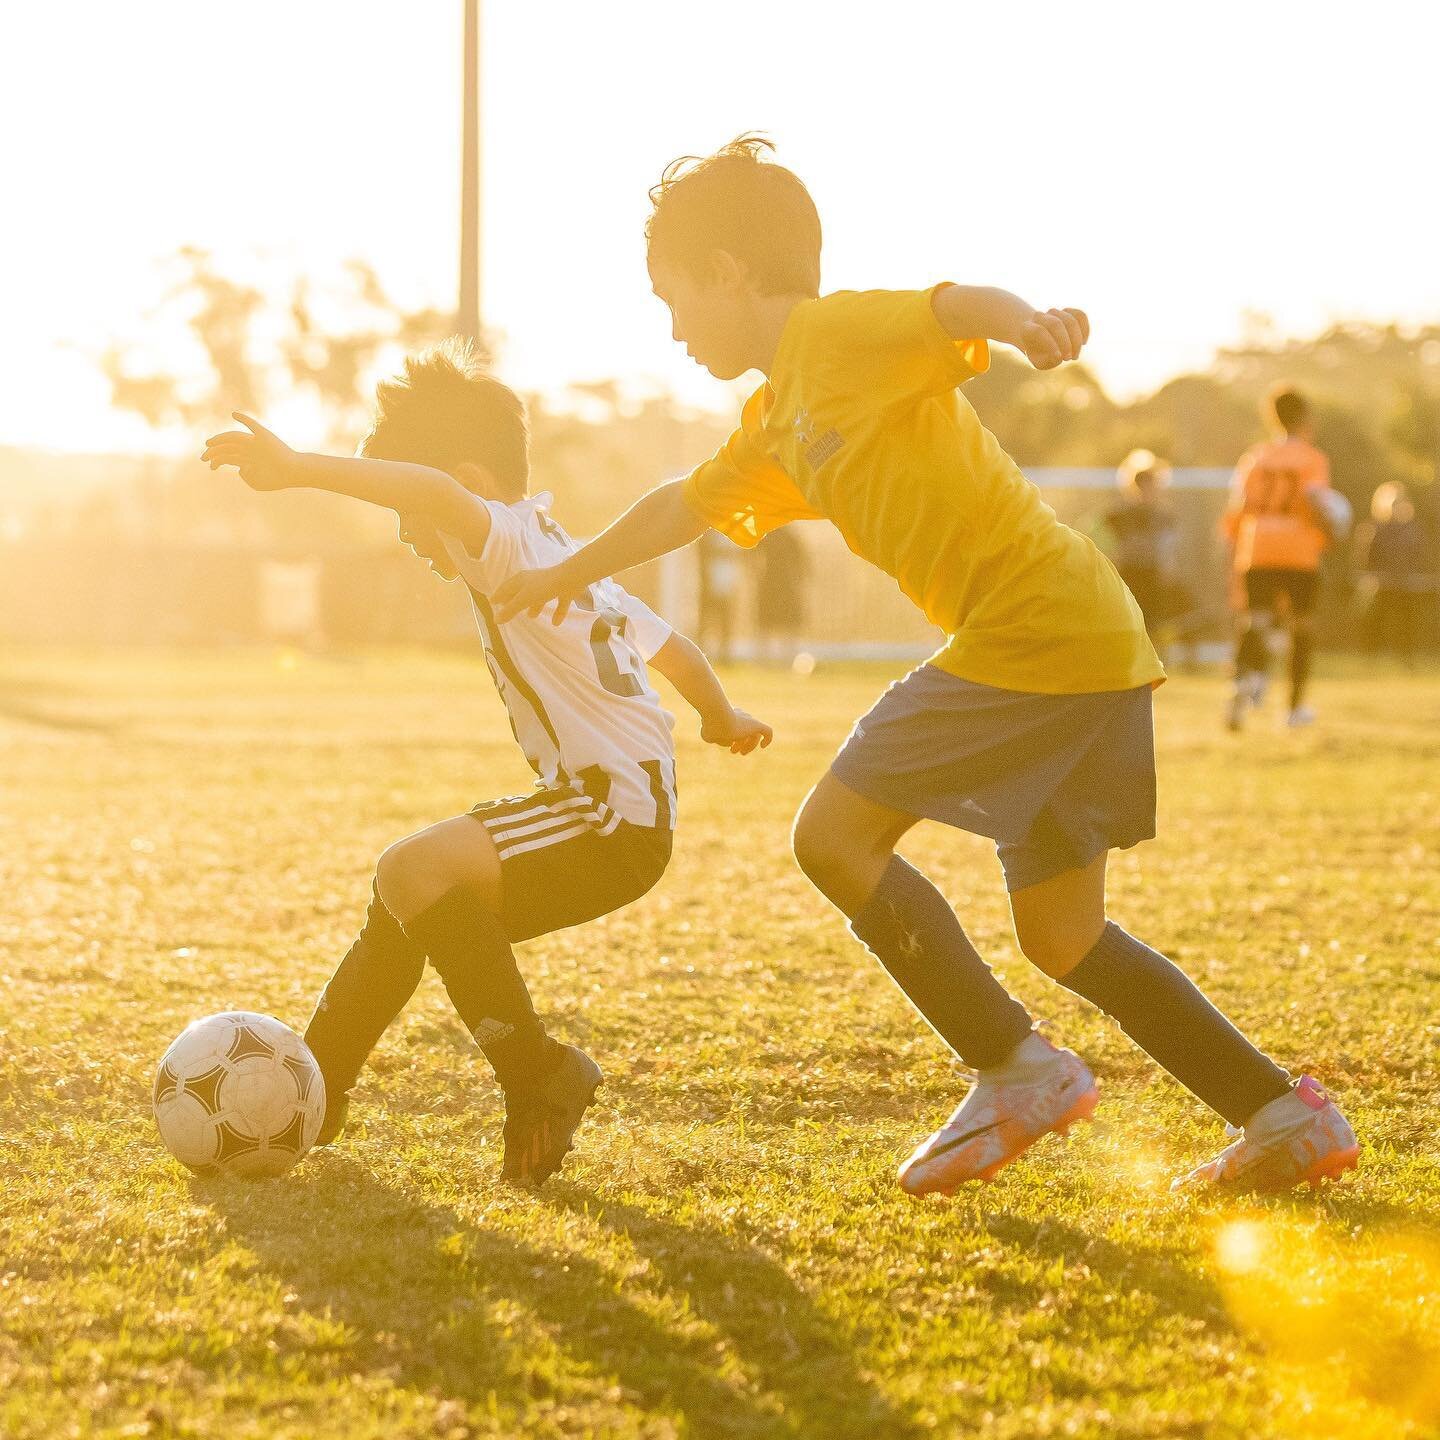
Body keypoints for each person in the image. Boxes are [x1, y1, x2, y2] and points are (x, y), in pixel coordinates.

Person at [493, 137, 1358, 1196]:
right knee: (1063, 934)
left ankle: (1013, 1066)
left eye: (674, 298)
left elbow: (952, 308)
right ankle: (1281, 1114)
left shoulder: (831, 333)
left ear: (727, 272)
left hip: (1033, 630)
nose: (672, 329)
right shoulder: (777, 421)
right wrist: (569, 569)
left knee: (829, 837)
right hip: (1085, 641)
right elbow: (682, 502)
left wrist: (1026, 322)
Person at [201, 340, 771, 1185]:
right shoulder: (561, 547)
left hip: (604, 818)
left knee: (410, 870)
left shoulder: (502, 536)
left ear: (474, 482)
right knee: (407, 895)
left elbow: (433, 492)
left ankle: (539, 1075)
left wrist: (296, 467)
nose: (410, 536)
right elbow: (674, 646)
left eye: (406, 516)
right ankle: (318, 1088)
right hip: (623, 819)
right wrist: (722, 715)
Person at [1222, 386, 1335, 730]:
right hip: (1298, 549)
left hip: (1257, 547)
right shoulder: (1313, 459)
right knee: (1301, 627)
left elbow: (1238, 507)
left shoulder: (1255, 457)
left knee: (1255, 621)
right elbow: (1317, 502)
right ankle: (1293, 708)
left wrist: (1234, 544)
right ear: (1304, 418)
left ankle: (1242, 687)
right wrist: (1330, 534)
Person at [1103, 449, 1181, 643]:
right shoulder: (1116, 515)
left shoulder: (1165, 516)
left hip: (1153, 573)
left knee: (1152, 622)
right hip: (1128, 573)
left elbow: (1168, 548)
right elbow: (1102, 541)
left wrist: (1168, 568)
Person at [1356, 481, 1431, 665]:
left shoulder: (1413, 530)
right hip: (1381, 584)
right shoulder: (1373, 528)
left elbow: (1420, 557)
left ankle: (1406, 657)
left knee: (1407, 621)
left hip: (1406, 584)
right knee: (1375, 619)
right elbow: (1365, 559)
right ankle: (1370, 657)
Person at [754, 525, 810, 664]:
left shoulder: (782, 536)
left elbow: (800, 561)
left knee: (784, 621)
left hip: (781, 583)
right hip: (772, 582)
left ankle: (785, 657)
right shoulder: (768, 535)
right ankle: (766, 657)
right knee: (767, 621)